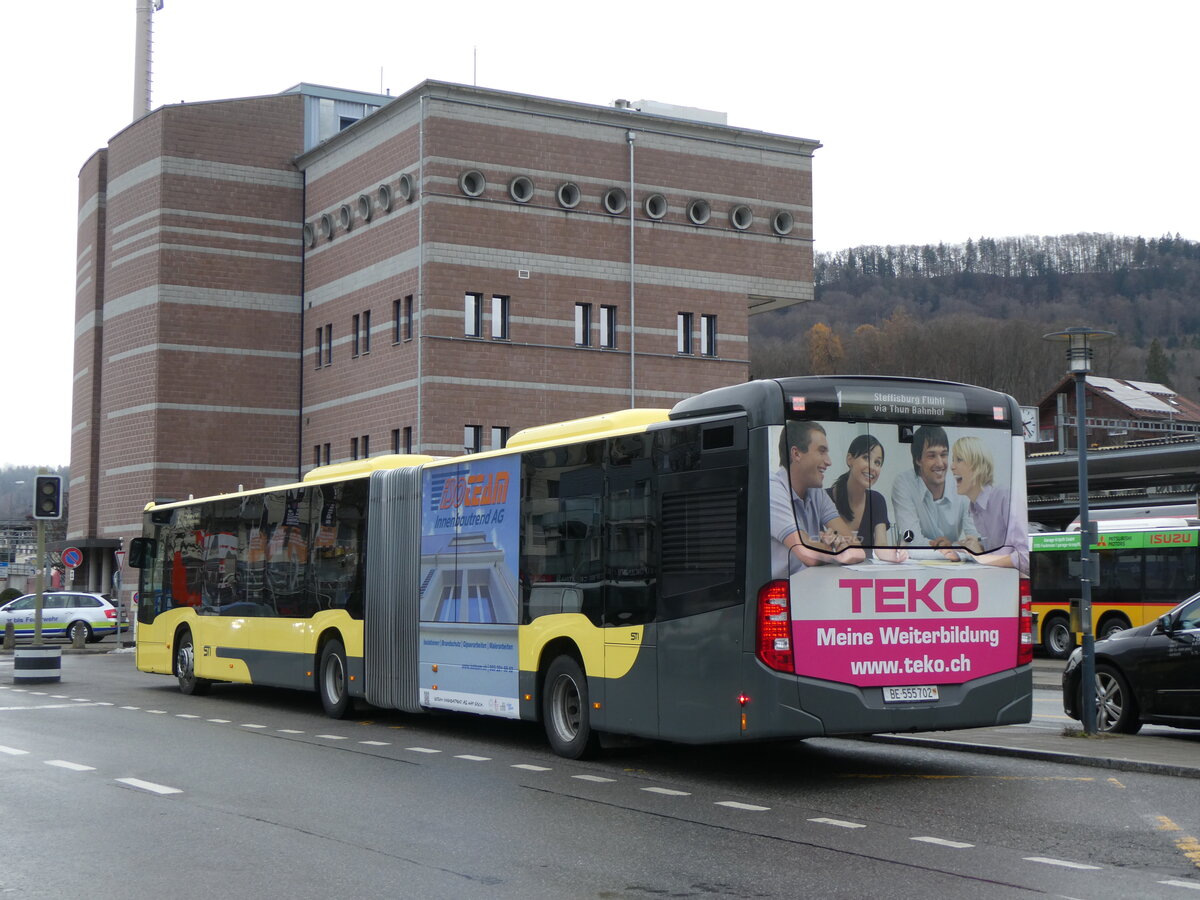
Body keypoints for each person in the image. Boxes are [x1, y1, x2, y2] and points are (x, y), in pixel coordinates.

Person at [770, 421, 865, 579]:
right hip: (780, 596)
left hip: (810, 589)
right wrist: (835, 549)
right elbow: (807, 554)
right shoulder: (773, 490)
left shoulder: (817, 493)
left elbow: (856, 548)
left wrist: (829, 549)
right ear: (796, 454)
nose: (828, 462)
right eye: (822, 452)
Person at [891, 424, 978, 560]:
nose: (940, 463)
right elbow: (912, 543)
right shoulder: (904, 483)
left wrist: (952, 547)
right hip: (916, 570)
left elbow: (977, 543)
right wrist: (954, 549)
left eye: (943, 455)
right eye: (931, 456)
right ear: (918, 460)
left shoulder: (962, 484)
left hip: (956, 569)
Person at [950, 436, 1029, 574]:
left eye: (959, 459)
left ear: (977, 466)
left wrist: (980, 556)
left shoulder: (1005, 497)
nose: (952, 466)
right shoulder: (975, 508)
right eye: (953, 460)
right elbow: (1000, 548)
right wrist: (973, 547)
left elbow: (1024, 558)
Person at [826, 434, 908, 563]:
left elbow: (881, 545)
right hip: (827, 575)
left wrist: (893, 555)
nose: (872, 467)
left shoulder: (876, 500)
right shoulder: (824, 498)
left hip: (864, 578)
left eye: (877, 462)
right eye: (866, 458)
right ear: (849, 459)